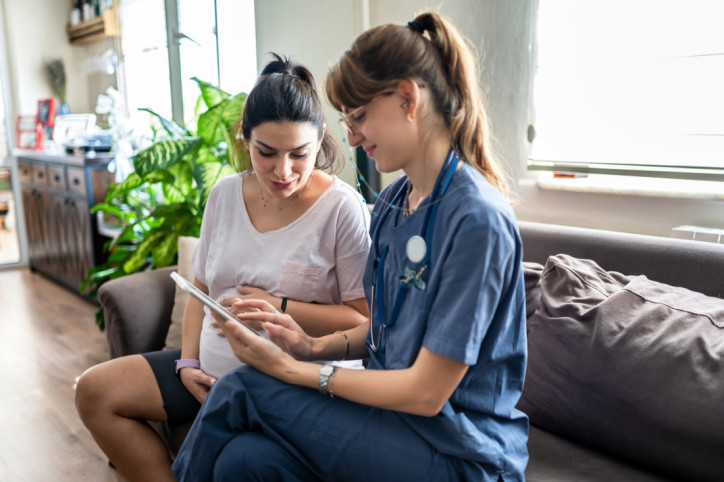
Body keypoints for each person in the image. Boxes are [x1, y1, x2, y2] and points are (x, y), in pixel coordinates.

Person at [172, 11, 529, 482]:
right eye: (346, 120)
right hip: (391, 425)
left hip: (458, 450)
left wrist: (292, 368)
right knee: (245, 462)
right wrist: (309, 344)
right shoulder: (391, 205)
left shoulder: (476, 220)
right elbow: (383, 330)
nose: (350, 136)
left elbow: (427, 394)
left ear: (408, 99)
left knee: (243, 390)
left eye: (359, 117)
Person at [75, 54, 371, 482]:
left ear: (321, 138)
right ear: (243, 137)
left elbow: (362, 320)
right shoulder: (226, 195)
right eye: (266, 153)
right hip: (209, 371)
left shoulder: (342, 209)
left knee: (238, 459)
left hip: (285, 384)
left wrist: (280, 305)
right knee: (95, 391)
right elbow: (201, 286)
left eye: (299, 154)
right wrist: (188, 363)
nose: (283, 171)